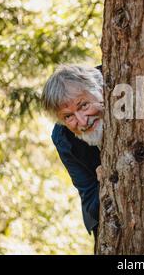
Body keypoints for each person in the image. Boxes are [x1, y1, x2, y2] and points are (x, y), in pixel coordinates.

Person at [41, 64, 104, 251]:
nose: (83, 122)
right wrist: (106, 181)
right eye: (68, 116)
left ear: (101, 90)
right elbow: (91, 204)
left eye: (84, 105)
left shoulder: (125, 76)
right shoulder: (64, 139)